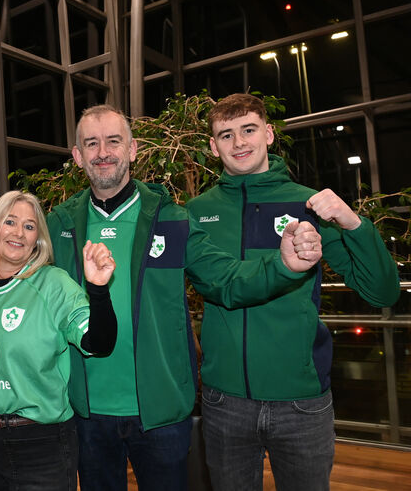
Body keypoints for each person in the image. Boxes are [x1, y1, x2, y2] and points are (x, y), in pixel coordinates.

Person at [46, 104, 324, 491]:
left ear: (133, 149)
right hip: (87, 413)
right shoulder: (58, 224)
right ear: (77, 156)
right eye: (91, 143)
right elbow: (21, 283)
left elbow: (225, 279)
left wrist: (282, 266)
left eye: (113, 140)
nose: (103, 152)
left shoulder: (171, 218)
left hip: (161, 414)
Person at [185, 93, 400, 491]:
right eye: (226, 135)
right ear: (213, 147)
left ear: (268, 134)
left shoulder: (309, 203)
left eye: (248, 130)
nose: (239, 143)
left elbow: (382, 292)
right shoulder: (196, 211)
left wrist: (354, 224)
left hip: (301, 401)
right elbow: (217, 284)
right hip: (224, 401)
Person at [0, 190, 117, 490]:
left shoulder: (52, 284)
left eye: (30, 226)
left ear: (38, 241)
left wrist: (98, 289)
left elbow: (99, 343)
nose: (19, 232)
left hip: (38, 443)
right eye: (10, 222)